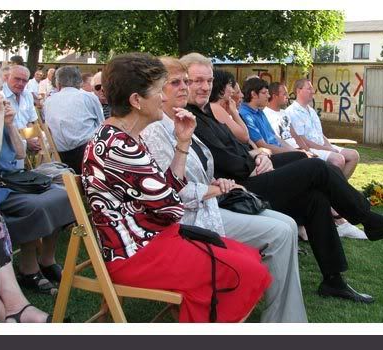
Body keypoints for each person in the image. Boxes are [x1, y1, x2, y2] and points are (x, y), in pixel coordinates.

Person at [181, 52, 383, 303]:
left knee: (313, 194)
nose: (205, 86)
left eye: (208, 80)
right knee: (316, 167)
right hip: (235, 190)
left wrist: (260, 155)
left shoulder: (206, 111)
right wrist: (256, 160)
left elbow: (239, 147)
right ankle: (371, 220)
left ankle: (333, 280)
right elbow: (225, 161)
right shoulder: (191, 117)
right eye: (197, 81)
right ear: (184, 82)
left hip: (248, 172)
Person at [81, 52, 271, 323]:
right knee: (247, 271)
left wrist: (182, 143)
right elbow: (171, 207)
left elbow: (168, 193)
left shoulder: (122, 138)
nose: (163, 98)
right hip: (138, 254)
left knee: (248, 258)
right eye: (160, 90)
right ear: (136, 100)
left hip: (152, 240)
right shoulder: (120, 146)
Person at [142, 57, 307, 322]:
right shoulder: (156, 129)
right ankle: (284, 321)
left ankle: (285, 318)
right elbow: (173, 191)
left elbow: (204, 168)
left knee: (287, 224)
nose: (186, 87)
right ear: (157, 90)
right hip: (189, 219)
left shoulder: (181, 119)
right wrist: (215, 189)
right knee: (280, 230)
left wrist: (218, 183)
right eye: (177, 82)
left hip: (208, 204)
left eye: (188, 81)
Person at [0, 68, 75, 295]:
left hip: (15, 175)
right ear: (6, 80)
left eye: (24, 79)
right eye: (17, 79)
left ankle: (47, 259)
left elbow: (21, 152)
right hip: (0, 184)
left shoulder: (4, 110)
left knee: (62, 193)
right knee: (36, 205)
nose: (21, 83)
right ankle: (28, 268)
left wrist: (11, 125)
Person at [264, 82, 366, 240]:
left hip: (303, 148)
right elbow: (274, 140)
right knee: (333, 162)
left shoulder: (288, 112)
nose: (287, 95)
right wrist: (304, 151)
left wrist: (314, 149)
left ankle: (337, 202)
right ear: (274, 95)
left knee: (351, 156)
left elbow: (298, 136)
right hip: (288, 153)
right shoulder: (270, 114)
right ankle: (341, 216)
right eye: (284, 93)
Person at [285, 78, 360, 179]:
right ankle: (335, 189)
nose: (313, 91)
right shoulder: (292, 112)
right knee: (338, 160)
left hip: (322, 146)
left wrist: (330, 147)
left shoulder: (311, 110)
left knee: (354, 155)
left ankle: (341, 187)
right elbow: (302, 141)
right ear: (299, 90)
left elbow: (320, 134)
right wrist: (327, 149)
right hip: (310, 149)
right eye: (309, 89)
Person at [44, 66, 104, 174]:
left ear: (58, 83)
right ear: (80, 82)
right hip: (88, 156)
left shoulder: (48, 101)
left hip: (60, 157)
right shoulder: (89, 97)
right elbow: (102, 125)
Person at [239, 77, 307, 156]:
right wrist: (294, 153)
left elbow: (275, 137)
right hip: (270, 156)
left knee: (307, 157)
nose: (268, 96)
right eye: (264, 93)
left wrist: (295, 151)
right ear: (253, 94)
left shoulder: (259, 111)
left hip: (278, 151)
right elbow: (262, 146)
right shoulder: (245, 114)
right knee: (312, 161)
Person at [209, 69, 250, 143]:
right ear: (221, 87)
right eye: (230, 86)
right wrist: (234, 112)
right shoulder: (215, 107)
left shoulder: (217, 107)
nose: (232, 90)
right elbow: (244, 136)